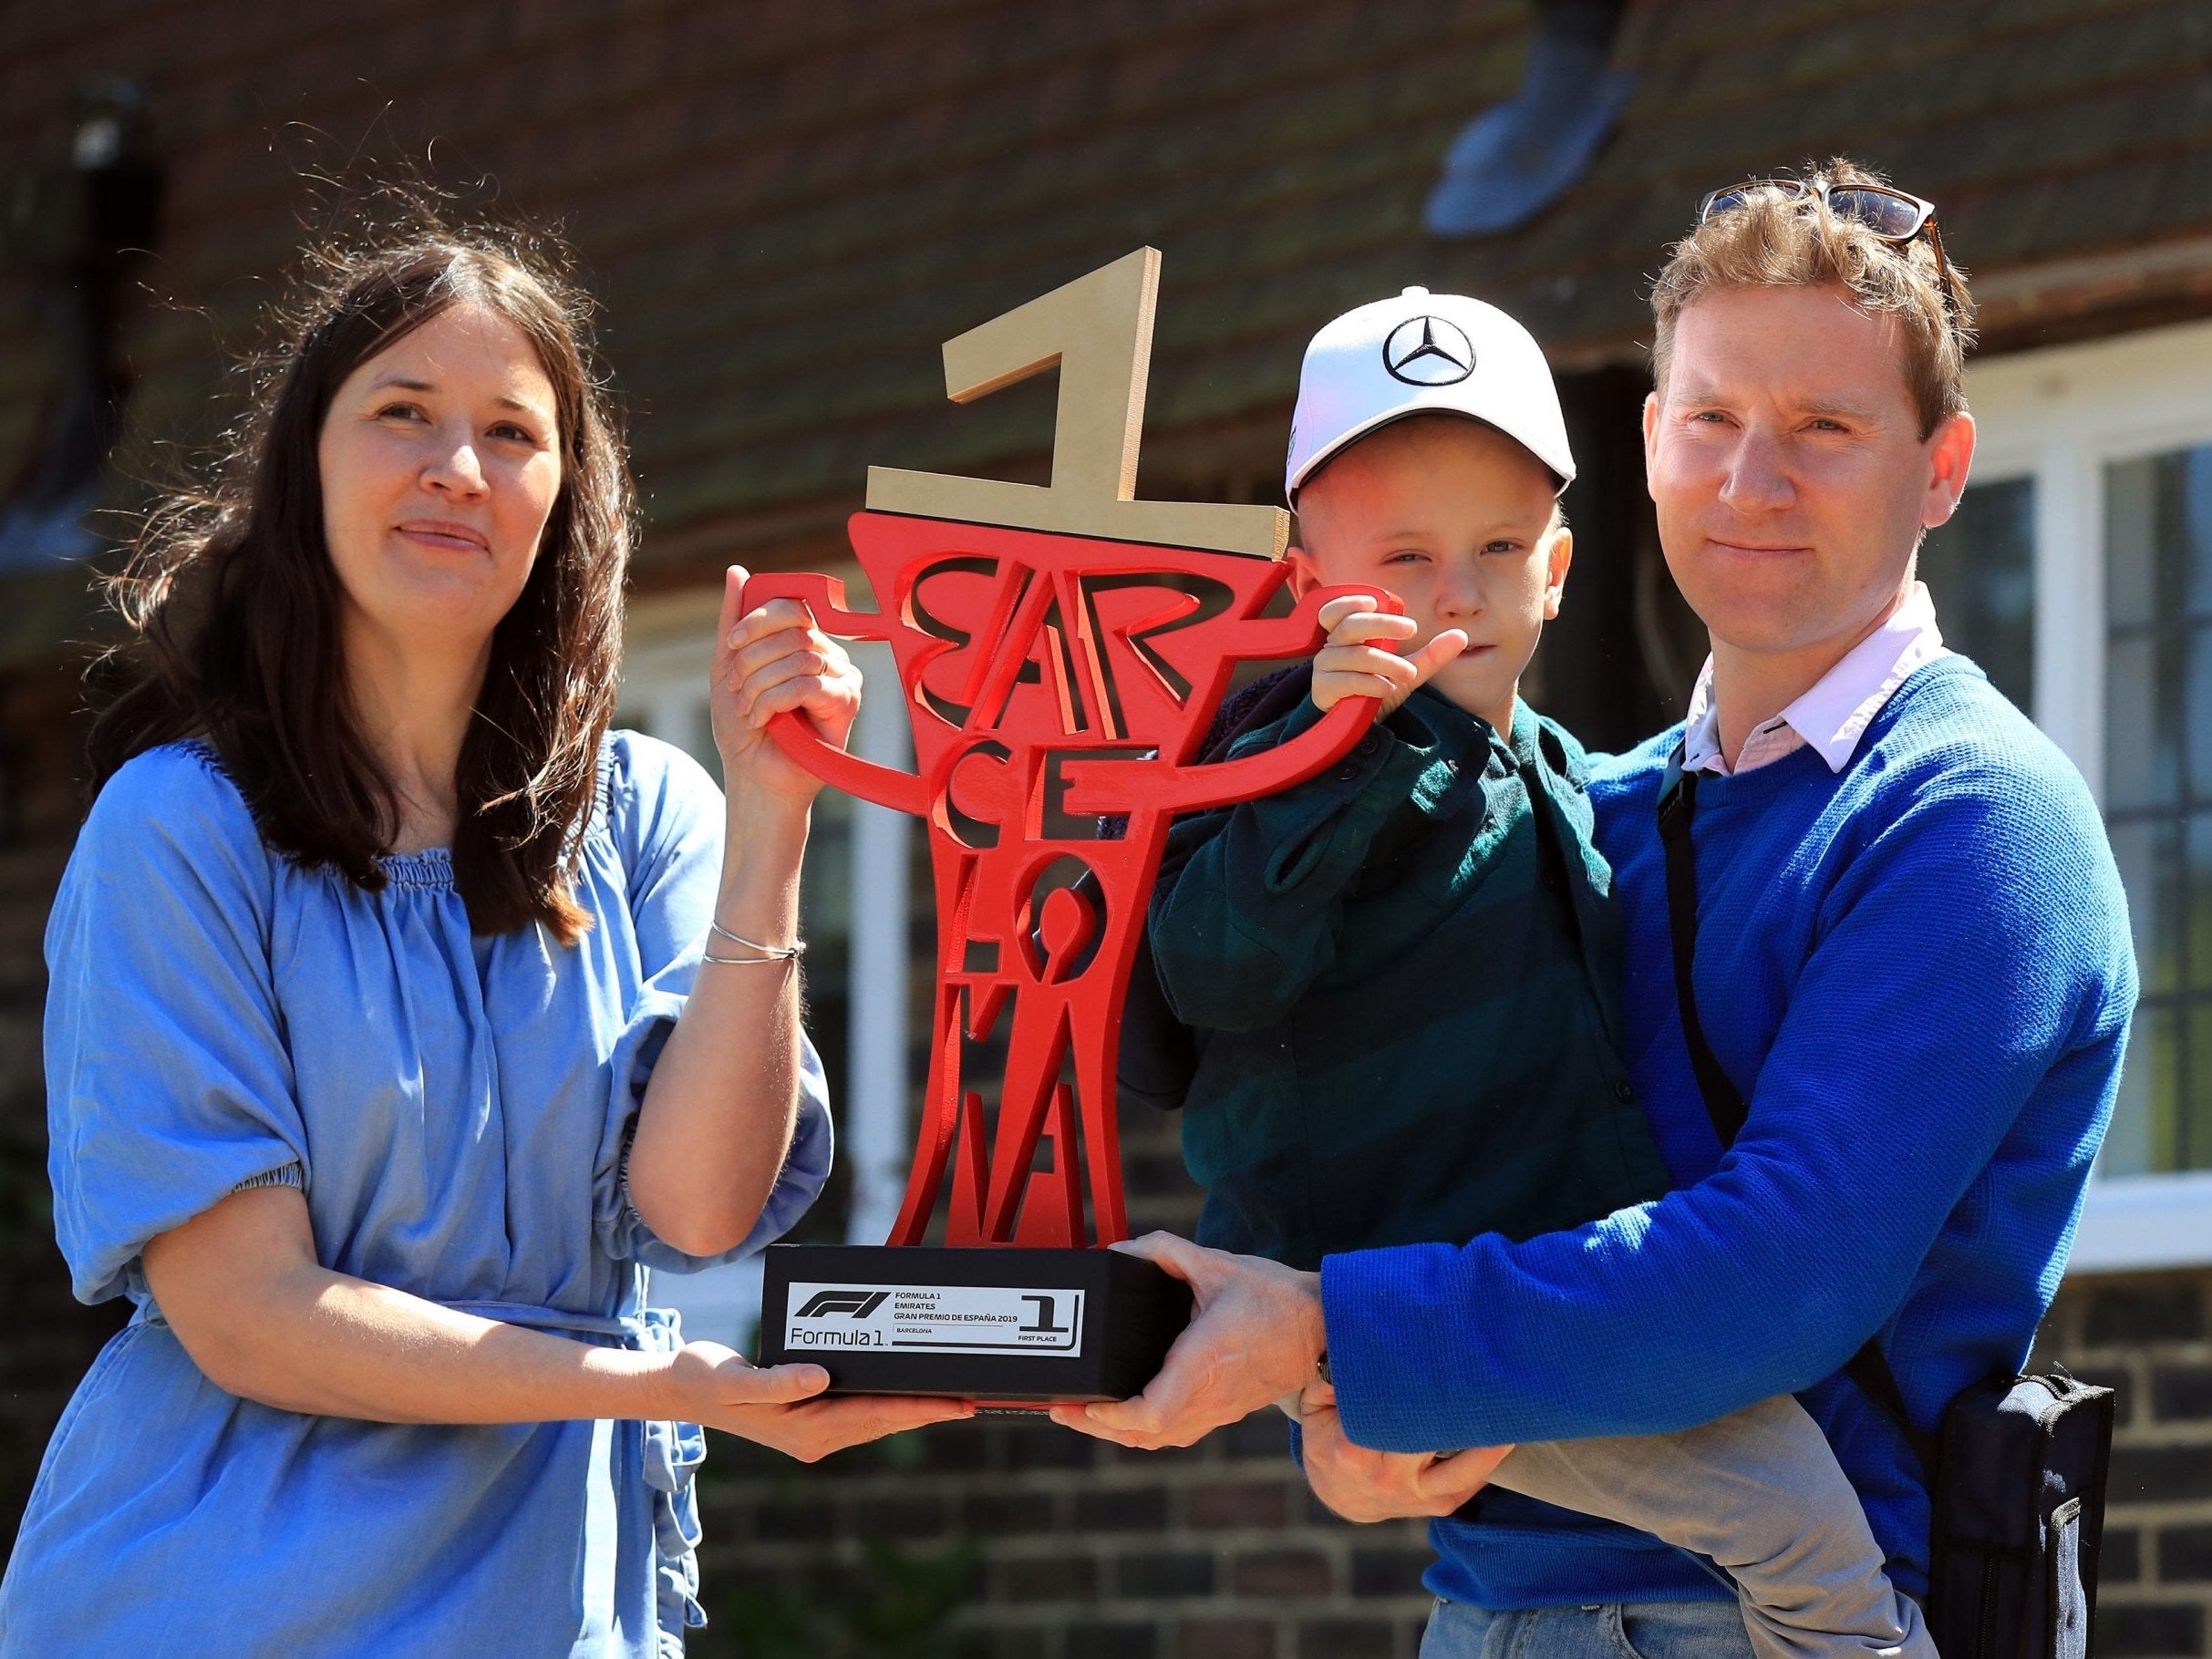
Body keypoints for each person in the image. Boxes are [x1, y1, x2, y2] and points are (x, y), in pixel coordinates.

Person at [1055, 159, 2137, 1657]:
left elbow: (1772, 1280)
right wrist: (1347, 1394)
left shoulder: (1969, 817)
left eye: (1822, 428)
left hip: (1776, 1620)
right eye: (1711, 420)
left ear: (1941, 467)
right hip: (1488, 1612)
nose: (1750, 482)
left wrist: (1332, 1332)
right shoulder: (1585, 807)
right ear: (1646, 442)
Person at [1, 224, 967, 1658]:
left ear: (565, 496)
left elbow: (699, 1214)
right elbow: (250, 1316)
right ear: (306, 466)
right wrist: (653, 1384)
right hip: (207, 1605)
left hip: (550, 1612)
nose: (459, 465)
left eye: (512, 433)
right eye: (403, 414)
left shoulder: (650, 817)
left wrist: (772, 829)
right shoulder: (179, 832)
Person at [1139, 288, 1928, 1659]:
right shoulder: (1277, 765)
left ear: (1556, 568)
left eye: (1498, 548)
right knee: (1797, 1519)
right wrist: (1345, 745)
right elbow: (1206, 969)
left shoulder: (1566, 776)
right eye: (1402, 558)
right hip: (1418, 1301)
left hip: (1517, 1303)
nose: (1455, 593)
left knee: (1787, 1504)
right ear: (1301, 581)